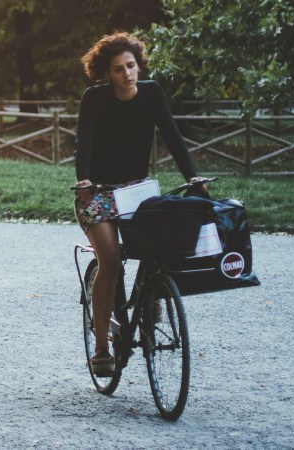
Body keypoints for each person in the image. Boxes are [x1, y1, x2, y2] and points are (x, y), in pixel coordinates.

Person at [72, 32, 209, 377]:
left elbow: (173, 136)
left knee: (161, 245)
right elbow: (83, 142)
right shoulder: (96, 98)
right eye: (118, 69)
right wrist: (84, 180)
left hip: (136, 190)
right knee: (111, 258)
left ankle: (153, 294)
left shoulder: (152, 93)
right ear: (108, 73)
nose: (127, 74)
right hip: (99, 192)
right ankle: (102, 346)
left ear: (139, 65)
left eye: (131, 66)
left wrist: (193, 177)